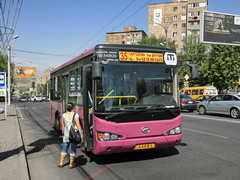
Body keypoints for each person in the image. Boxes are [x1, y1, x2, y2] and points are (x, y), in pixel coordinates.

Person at [57, 102, 83, 168]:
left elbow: (62, 127)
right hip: (73, 135)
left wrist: (63, 133)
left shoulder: (63, 115)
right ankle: (71, 164)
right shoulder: (75, 115)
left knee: (64, 148)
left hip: (66, 135)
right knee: (73, 149)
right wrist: (81, 134)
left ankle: (61, 163)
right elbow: (78, 126)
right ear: (73, 107)